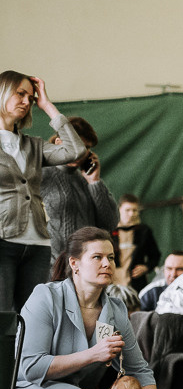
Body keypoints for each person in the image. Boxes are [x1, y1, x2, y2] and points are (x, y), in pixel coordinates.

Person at [14, 227, 168, 389]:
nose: (107, 263)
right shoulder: (45, 297)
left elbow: (140, 370)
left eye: (111, 257)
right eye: (97, 257)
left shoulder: (116, 309)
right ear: (74, 263)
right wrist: (92, 354)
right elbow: (30, 367)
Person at [0, 72, 87, 312]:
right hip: (3, 241)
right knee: (3, 321)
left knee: (34, 319)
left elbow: (75, 150)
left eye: (31, 97)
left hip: (38, 244)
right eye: (20, 94)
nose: (27, 102)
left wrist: (47, 106)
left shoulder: (33, 145)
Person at [41, 116, 119, 266]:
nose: (79, 152)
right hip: (50, 269)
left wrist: (95, 182)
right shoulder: (39, 173)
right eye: (75, 146)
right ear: (58, 143)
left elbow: (109, 224)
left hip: (85, 269)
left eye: (85, 147)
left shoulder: (86, 179)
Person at [112, 194, 161, 292]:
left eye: (134, 210)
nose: (131, 214)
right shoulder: (109, 231)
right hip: (113, 283)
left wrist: (146, 267)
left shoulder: (144, 231)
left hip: (136, 284)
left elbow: (155, 255)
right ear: (119, 209)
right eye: (127, 210)